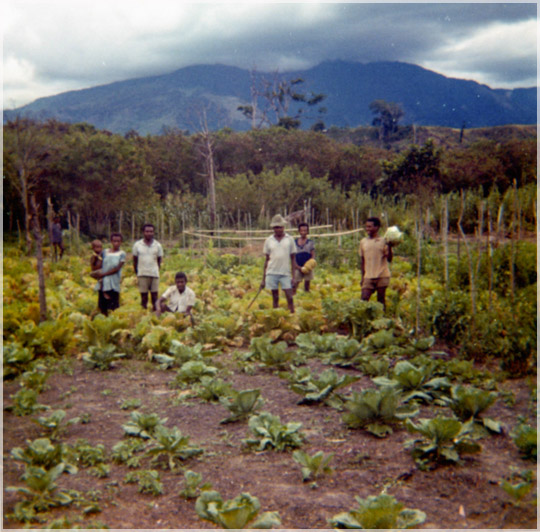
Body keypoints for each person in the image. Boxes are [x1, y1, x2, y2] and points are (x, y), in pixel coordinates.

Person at [261, 214, 296, 313]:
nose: (278, 229)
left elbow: (293, 259)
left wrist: (294, 276)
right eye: (276, 227)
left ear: (283, 227)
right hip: (272, 272)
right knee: (275, 298)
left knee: (290, 297)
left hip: (285, 273)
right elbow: (267, 260)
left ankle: (292, 316)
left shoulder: (290, 239)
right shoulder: (269, 240)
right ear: (273, 228)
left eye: (280, 227)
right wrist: (263, 279)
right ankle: (275, 316)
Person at [359, 216, 394, 310]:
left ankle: (382, 321)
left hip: (382, 275)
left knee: (380, 301)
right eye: (366, 227)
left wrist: (389, 247)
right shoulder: (363, 242)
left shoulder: (384, 241)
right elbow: (362, 261)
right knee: (363, 300)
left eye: (370, 227)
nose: (367, 229)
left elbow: (389, 259)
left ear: (377, 227)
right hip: (368, 276)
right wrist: (362, 277)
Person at [132, 223, 163, 311]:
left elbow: (159, 260)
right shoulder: (137, 245)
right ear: (143, 232)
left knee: (154, 297)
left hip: (154, 274)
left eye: (151, 231)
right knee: (144, 297)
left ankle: (155, 315)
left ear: (153, 233)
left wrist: (156, 270)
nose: (149, 233)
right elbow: (135, 260)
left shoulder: (157, 245)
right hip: (142, 274)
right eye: (147, 231)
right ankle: (144, 314)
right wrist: (137, 272)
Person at [94, 233, 126, 315]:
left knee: (113, 300)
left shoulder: (122, 254)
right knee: (103, 302)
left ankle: (112, 318)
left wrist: (104, 274)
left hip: (114, 279)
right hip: (104, 280)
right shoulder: (105, 252)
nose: (116, 243)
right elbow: (99, 263)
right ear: (111, 241)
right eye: (114, 241)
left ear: (121, 242)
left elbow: (117, 268)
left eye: (118, 241)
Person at [293, 222, 315, 294]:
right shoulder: (294, 242)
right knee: (296, 282)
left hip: (307, 267)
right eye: (301, 230)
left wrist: (309, 265)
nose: (303, 232)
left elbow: (313, 255)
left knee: (307, 283)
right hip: (297, 266)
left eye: (305, 230)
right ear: (299, 231)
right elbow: (293, 256)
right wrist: (297, 266)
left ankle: (306, 295)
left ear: (307, 231)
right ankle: (293, 295)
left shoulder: (310, 243)